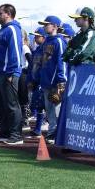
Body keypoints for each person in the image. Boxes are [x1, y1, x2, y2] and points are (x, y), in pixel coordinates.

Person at [0, 4, 25, 145]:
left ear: (8, 14)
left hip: (7, 73)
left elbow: (15, 51)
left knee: (11, 104)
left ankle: (16, 134)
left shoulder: (12, 29)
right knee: (0, 105)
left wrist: (12, 71)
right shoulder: (0, 31)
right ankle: (4, 131)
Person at [35, 15, 68, 143]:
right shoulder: (47, 41)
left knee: (56, 108)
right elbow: (42, 62)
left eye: (46, 24)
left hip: (55, 81)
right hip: (46, 80)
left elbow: (62, 62)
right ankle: (52, 132)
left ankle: (57, 133)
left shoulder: (59, 41)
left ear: (55, 26)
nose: (44, 26)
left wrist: (61, 80)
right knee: (49, 109)